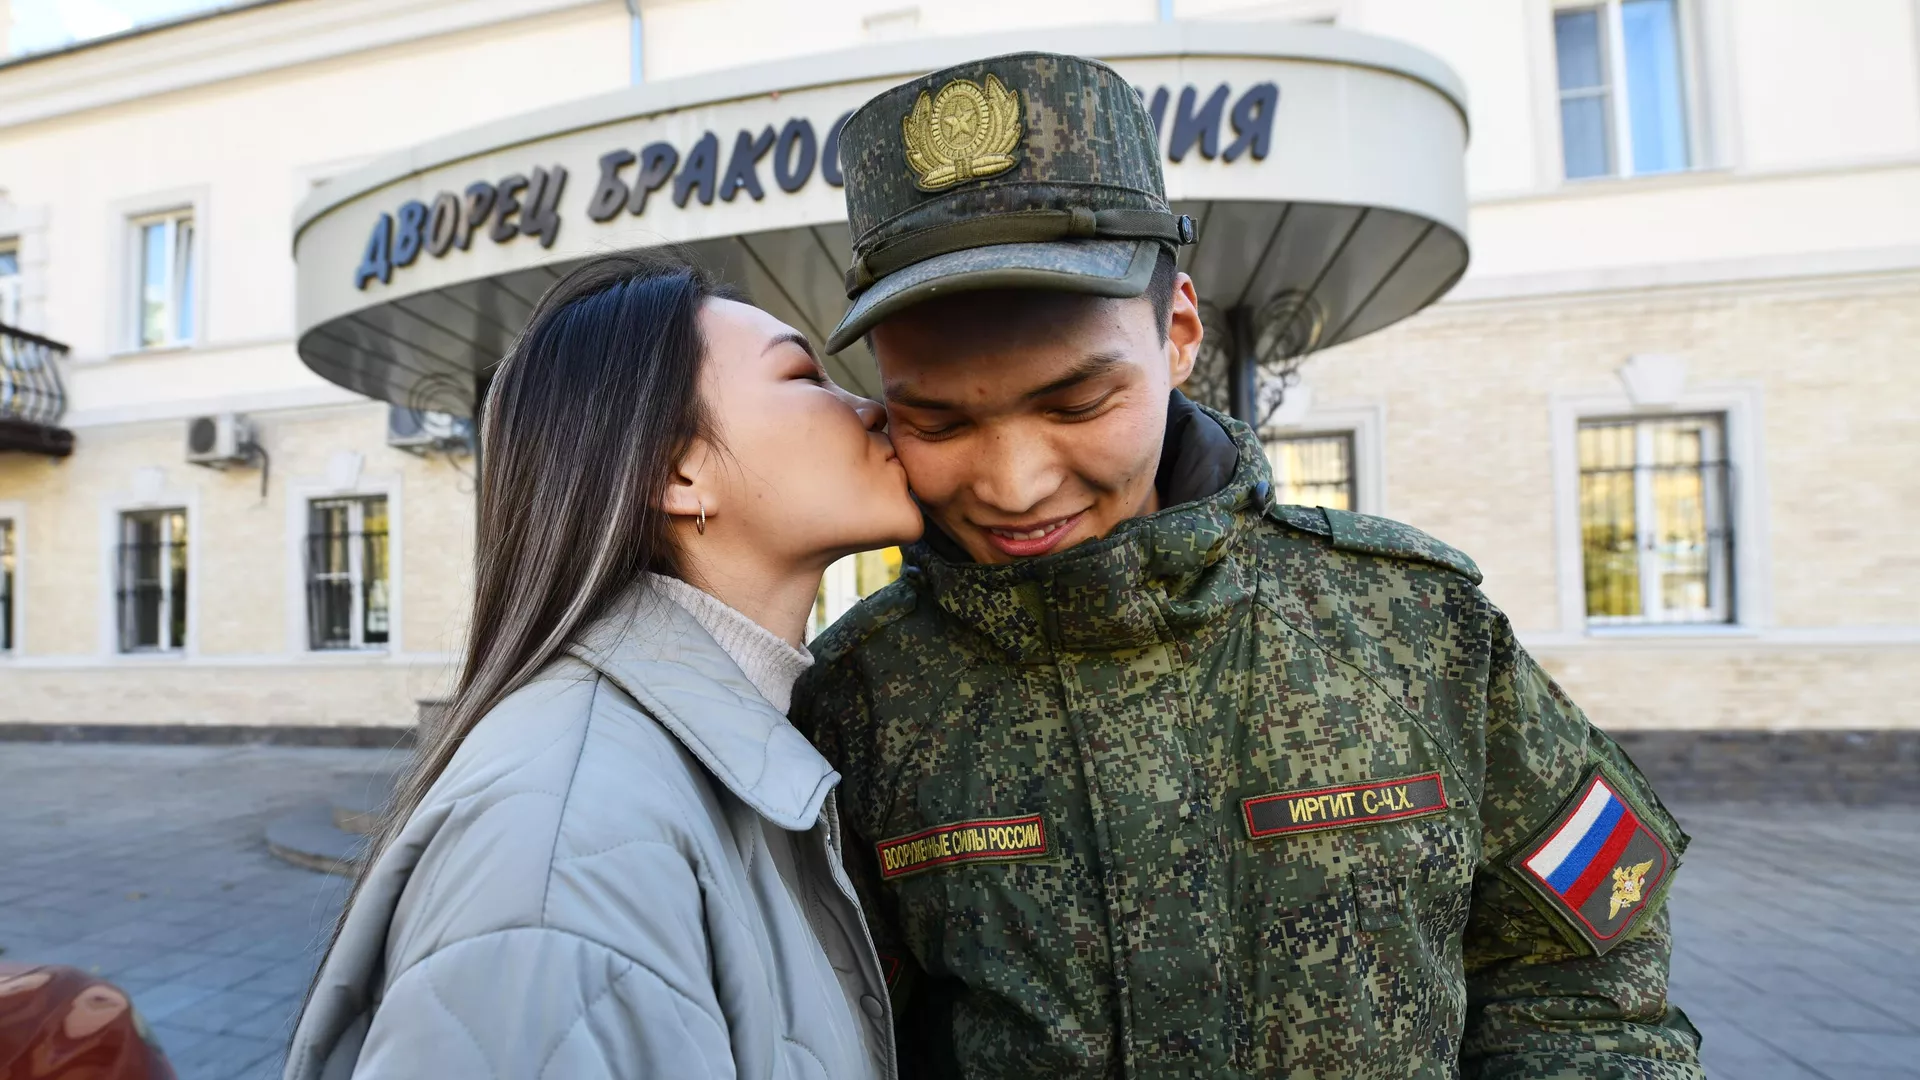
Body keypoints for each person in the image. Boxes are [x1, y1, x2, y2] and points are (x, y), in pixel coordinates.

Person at [793, 52, 1706, 1078]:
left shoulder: (1419, 630)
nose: (1012, 483)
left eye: (1077, 404)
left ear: (1178, 330)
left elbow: (1591, 983)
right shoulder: (853, 705)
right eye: (938, 419)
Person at [285, 253, 920, 1080]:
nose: (870, 409)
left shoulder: (705, 760)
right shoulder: (568, 844)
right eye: (804, 376)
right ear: (677, 471)